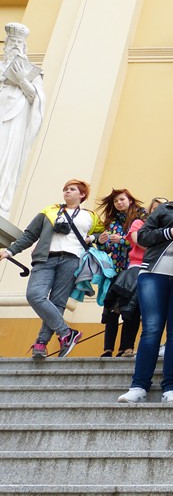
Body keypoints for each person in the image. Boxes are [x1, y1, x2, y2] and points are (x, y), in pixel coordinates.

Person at [118, 167, 173, 404]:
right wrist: (169, 232)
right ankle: (138, 386)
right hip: (154, 273)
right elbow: (143, 237)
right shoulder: (165, 209)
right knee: (151, 329)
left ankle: (171, 387)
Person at [0, 179, 103, 357]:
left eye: (72, 189)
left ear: (82, 194)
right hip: (45, 259)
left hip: (72, 261)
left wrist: (92, 238)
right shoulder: (49, 211)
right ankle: (66, 332)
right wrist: (10, 251)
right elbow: (30, 234)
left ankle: (41, 344)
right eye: (65, 189)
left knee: (58, 302)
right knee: (34, 295)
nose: (67, 191)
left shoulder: (90, 216)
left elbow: (103, 234)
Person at [0, 22, 45, 217]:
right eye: (12, 43)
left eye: (19, 44)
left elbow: (37, 98)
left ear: (24, 47)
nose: (15, 47)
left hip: (14, 123)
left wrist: (22, 80)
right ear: (6, 46)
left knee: (6, 157)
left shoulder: (32, 72)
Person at [96, 188, 147, 357]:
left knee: (131, 309)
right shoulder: (112, 222)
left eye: (122, 199)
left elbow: (143, 241)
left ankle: (126, 347)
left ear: (130, 200)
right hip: (117, 270)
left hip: (135, 269)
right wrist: (101, 242)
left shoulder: (142, 217)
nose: (119, 203)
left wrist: (123, 240)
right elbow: (107, 248)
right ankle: (108, 349)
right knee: (111, 309)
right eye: (116, 201)